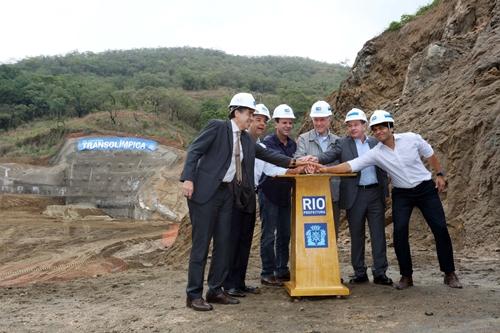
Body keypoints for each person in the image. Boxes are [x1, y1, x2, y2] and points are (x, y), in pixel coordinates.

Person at [180, 93, 305, 311]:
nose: (251, 118)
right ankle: (193, 295)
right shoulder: (217, 127)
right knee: (201, 246)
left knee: (224, 245)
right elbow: (195, 150)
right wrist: (188, 178)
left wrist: (296, 162)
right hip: (205, 194)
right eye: (249, 113)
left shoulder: (247, 140)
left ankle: (215, 290)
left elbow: (270, 156)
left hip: (228, 195)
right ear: (236, 112)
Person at [316, 109, 462, 290]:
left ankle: (449, 273)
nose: (379, 132)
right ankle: (406, 276)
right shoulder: (376, 153)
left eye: (382, 127)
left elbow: (429, 153)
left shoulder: (411, 138)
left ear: (391, 127)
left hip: (425, 189)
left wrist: (439, 174)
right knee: (399, 233)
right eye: (375, 129)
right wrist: (324, 169)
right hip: (402, 194)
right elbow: (350, 166)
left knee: (440, 228)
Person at [223, 104, 304, 297]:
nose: (260, 123)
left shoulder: (258, 146)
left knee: (244, 241)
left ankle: (239, 283)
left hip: (251, 195)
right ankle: (229, 284)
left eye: (262, 120)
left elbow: (271, 168)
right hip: (234, 195)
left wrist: (297, 166)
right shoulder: (234, 140)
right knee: (233, 241)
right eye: (256, 118)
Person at [308, 108, 392, 285]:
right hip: (355, 195)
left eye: (356, 125)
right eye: (349, 125)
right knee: (357, 234)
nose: (352, 128)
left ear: (364, 125)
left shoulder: (375, 142)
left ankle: (380, 272)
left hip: (375, 193)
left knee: (378, 234)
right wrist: (313, 161)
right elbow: (328, 155)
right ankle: (359, 272)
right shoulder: (342, 144)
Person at [258, 104, 296, 286]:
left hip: (284, 195)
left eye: (290, 123)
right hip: (269, 194)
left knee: (284, 234)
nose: (287, 126)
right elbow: (278, 167)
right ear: (276, 123)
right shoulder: (267, 143)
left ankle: (282, 269)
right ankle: (267, 272)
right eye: (284, 122)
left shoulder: (293, 144)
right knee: (268, 235)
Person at [294, 100, 341, 238]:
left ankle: (330, 259)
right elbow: (298, 159)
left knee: (332, 231)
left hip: (332, 192)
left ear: (329, 120)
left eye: (322, 120)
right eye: (316, 120)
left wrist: (314, 163)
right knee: (311, 230)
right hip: (310, 195)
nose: (319, 123)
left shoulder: (338, 141)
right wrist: (305, 164)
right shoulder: (303, 138)